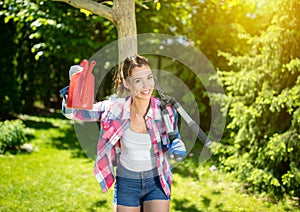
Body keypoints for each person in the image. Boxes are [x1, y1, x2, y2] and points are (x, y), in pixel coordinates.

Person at [60, 55, 186, 212]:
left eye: (149, 77)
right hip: (127, 182)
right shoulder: (114, 109)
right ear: (127, 83)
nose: (146, 85)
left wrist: (177, 143)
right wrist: (73, 89)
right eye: (138, 80)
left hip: (157, 181)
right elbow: (75, 113)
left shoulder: (165, 110)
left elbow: (173, 136)